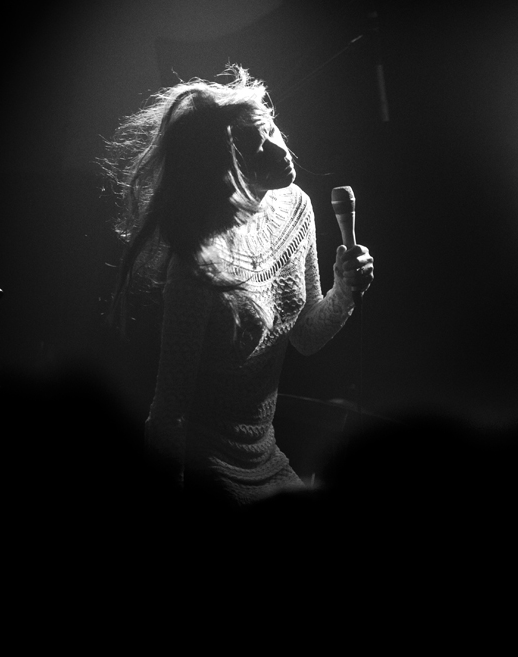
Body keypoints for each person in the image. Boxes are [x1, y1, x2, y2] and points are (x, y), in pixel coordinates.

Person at [103, 66, 374, 508]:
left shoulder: (295, 207)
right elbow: (169, 413)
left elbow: (304, 336)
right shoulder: (196, 269)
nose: (278, 149)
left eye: (270, 130)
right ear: (225, 169)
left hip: (268, 455)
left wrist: (344, 292)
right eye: (255, 146)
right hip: (210, 468)